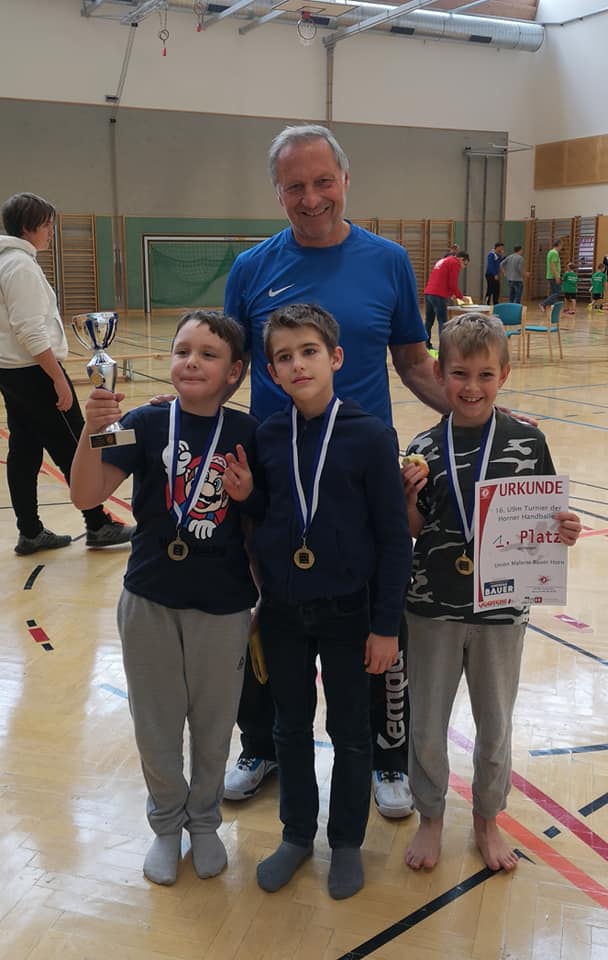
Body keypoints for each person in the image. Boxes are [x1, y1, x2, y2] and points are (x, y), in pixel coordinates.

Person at [222, 123, 450, 821]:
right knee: (268, 613)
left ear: (346, 180)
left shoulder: (388, 261)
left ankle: (386, 756)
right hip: (274, 479)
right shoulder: (251, 268)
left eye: (324, 181)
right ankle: (260, 744)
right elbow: (229, 367)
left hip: (361, 478)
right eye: (295, 186)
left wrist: (475, 409)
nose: (312, 197)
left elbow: (413, 362)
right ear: (278, 192)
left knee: (376, 616)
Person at [223, 303, 411, 899]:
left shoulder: (370, 436)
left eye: (308, 352)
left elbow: (393, 539)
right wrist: (248, 497)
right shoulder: (268, 434)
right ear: (272, 371)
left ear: (335, 358)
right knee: (289, 727)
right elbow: (273, 514)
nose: (297, 365)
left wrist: (386, 626)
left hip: (349, 610)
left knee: (352, 731)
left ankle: (346, 841)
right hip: (283, 608)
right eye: (284, 357)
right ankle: (297, 835)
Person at [70, 310, 259, 886]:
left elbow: (262, 524)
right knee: (154, 725)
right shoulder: (142, 423)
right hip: (149, 599)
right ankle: (166, 825)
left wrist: (248, 498)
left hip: (223, 605)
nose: (191, 362)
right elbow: (86, 493)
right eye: (182, 351)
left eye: (208, 354)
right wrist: (90, 429)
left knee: (214, 726)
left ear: (235, 371)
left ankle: (204, 822)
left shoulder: (250, 434)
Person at [401, 314, 581, 873]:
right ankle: (431, 816)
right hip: (431, 608)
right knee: (426, 723)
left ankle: (487, 818)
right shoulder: (422, 447)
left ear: (503, 374)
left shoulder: (527, 441)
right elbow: (411, 529)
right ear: (439, 374)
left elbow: (548, 518)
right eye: (459, 373)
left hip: (502, 610)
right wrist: (407, 497)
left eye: (484, 374)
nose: (472, 387)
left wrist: (564, 528)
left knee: (495, 723)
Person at [0, 192, 134, 555]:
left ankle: (30, 531)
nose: (50, 232)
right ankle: (98, 524)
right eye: (47, 226)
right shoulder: (20, 266)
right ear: (28, 226)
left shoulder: (7, 261)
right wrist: (57, 377)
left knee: (24, 451)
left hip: (13, 373)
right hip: (34, 372)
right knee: (74, 444)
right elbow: (29, 330)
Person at [423, 251, 471, 348]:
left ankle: (426, 345)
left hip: (429, 293)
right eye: (465, 264)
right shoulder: (455, 263)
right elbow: (452, 284)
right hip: (438, 295)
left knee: (429, 321)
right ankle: (444, 348)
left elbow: (441, 279)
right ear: (461, 259)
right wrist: (461, 297)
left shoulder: (443, 261)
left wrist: (451, 294)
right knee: (443, 322)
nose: (463, 267)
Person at [540, 239, 563, 312]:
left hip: (551, 275)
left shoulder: (551, 252)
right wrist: (556, 277)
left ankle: (552, 308)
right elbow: (553, 266)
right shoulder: (554, 253)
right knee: (557, 292)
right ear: (559, 245)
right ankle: (543, 304)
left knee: (554, 293)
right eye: (561, 245)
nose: (561, 247)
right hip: (553, 276)